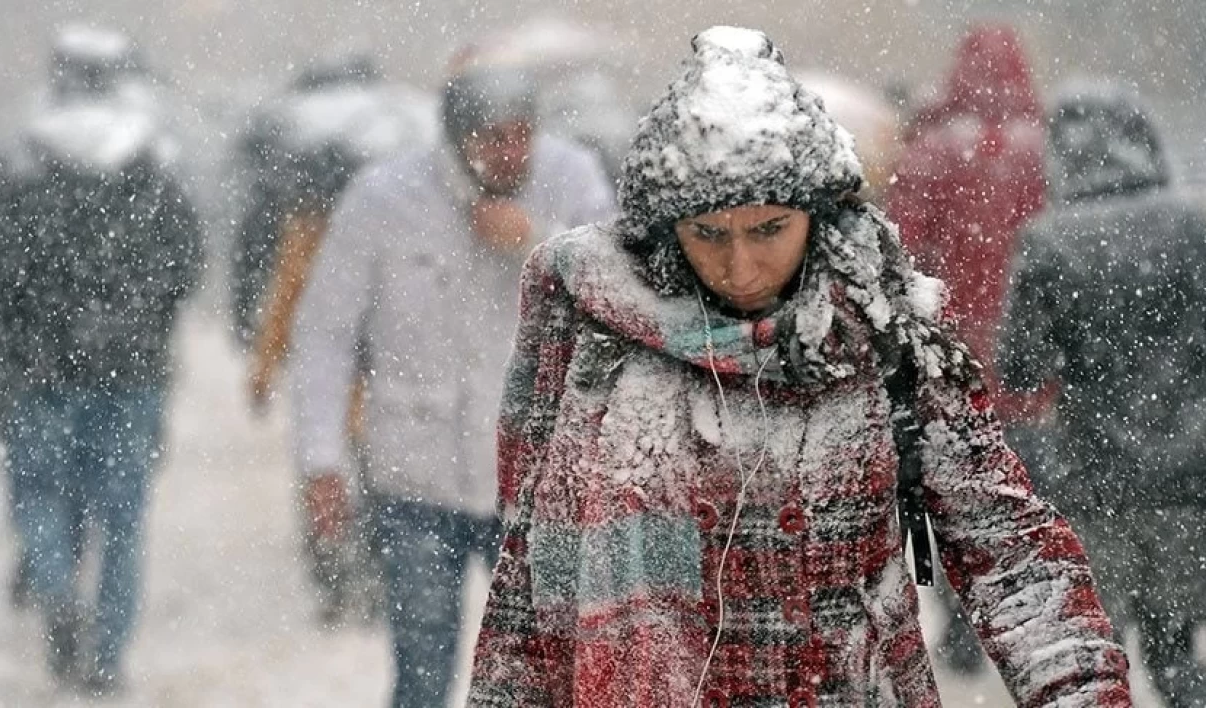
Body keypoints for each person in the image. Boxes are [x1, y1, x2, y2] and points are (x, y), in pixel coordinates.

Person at [466, 27, 1131, 707]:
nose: (740, 266)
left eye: (768, 230)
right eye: (709, 235)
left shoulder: (883, 339)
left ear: (816, 219)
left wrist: (1083, 692)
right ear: (668, 231)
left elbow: (1011, 550)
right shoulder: (601, 338)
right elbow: (530, 583)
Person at [290, 65, 615, 708]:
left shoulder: (571, 177)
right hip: (413, 477)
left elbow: (619, 292)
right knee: (421, 670)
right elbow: (323, 334)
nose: (509, 153)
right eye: (492, 138)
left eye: (521, 135)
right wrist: (320, 461)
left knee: (544, 675)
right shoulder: (383, 198)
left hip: (534, 480)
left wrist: (537, 242)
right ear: (455, 137)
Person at [0, 25, 203, 695]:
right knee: (122, 519)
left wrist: (2, 345)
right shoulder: (153, 155)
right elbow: (184, 262)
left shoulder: (18, 154)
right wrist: (144, 320)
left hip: (39, 369)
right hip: (129, 372)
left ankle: (54, 587)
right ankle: (107, 655)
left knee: (41, 496)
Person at [999, 81, 1206, 708]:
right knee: (1178, 653)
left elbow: (1018, 370)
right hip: (1194, 474)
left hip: (1099, 479)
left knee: (1093, 659)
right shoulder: (1193, 223)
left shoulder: (1046, 241)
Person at [231, 54, 436, 626]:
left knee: (323, 477)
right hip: (385, 375)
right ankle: (373, 578)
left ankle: (333, 579)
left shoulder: (309, 221)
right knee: (377, 481)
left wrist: (263, 367)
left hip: (334, 379)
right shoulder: (399, 217)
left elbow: (284, 300)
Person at [885, 24, 1050, 672]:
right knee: (1022, 497)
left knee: (957, 495)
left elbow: (898, 250)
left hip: (951, 362)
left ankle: (959, 624)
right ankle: (1025, 620)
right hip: (1028, 365)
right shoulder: (1046, 151)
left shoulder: (929, 149)